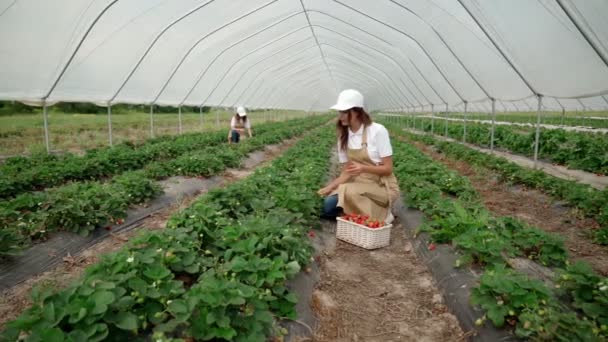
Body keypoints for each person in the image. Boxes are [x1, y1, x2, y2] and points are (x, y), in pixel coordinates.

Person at [318, 89, 400, 223]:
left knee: (349, 192)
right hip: (357, 183)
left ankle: (382, 213)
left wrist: (363, 168)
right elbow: (346, 172)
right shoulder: (344, 136)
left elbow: (388, 169)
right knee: (328, 205)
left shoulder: (377, 131)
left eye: (345, 112)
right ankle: (362, 212)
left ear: (356, 112)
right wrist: (329, 187)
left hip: (381, 185)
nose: (341, 116)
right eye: (340, 112)